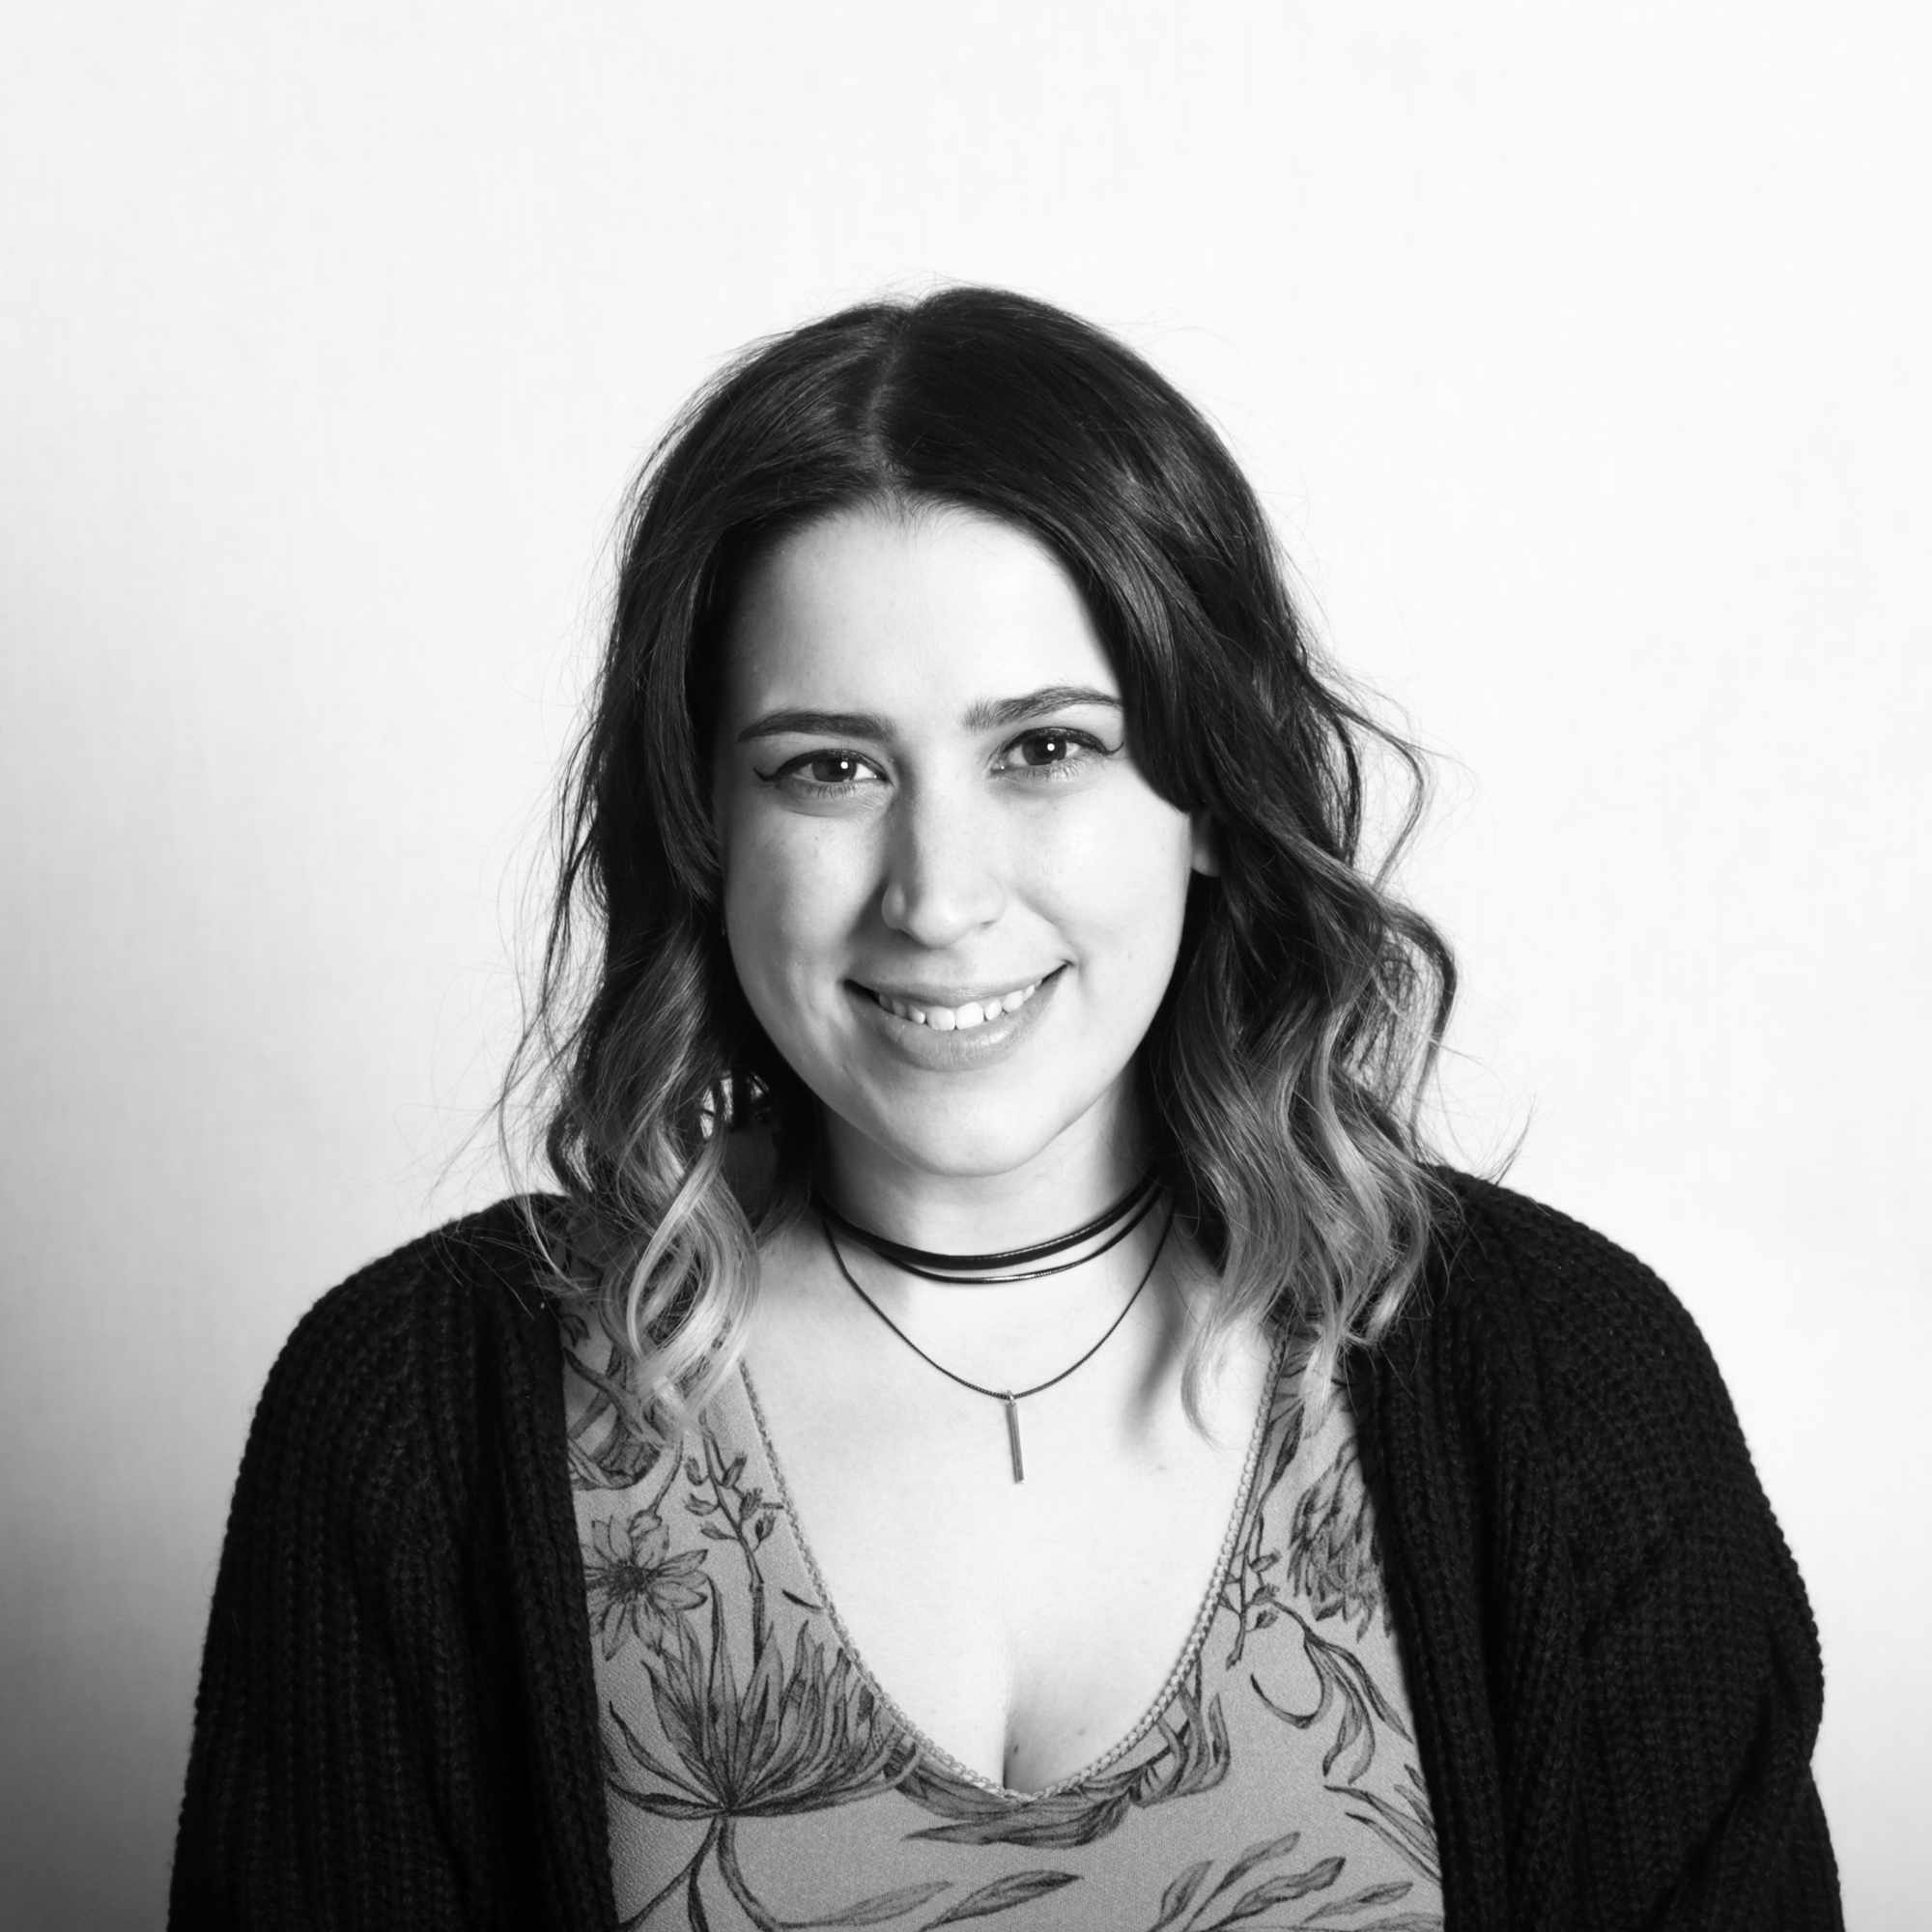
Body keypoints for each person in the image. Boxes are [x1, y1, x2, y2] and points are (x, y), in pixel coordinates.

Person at [169, 287, 1840, 1930]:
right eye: (829, 767)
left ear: (1209, 792)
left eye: (1044, 749)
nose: (941, 896)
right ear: (704, 827)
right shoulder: (417, 1426)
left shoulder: (1564, 1385)